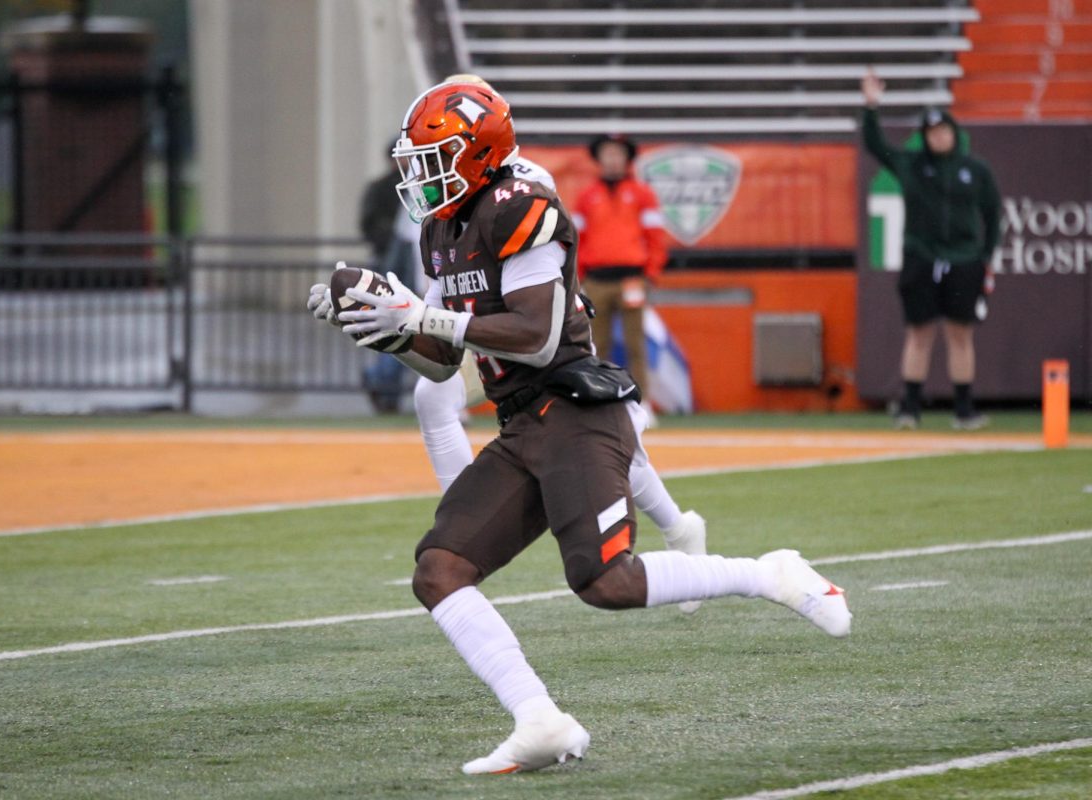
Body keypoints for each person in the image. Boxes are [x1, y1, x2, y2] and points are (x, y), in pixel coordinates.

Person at [307, 80, 852, 775]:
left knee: (605, 582)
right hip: (520, 425)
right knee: (439, 571)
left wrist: (419, 315)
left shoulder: (520, 205)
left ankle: (769, 573)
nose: (421, 174)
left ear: (477, 154)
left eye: (435, 156)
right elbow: (444, 364)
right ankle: (540, 719)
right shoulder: (441, 225)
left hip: (574, 412)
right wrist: (381, 331)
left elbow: (534, 336)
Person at [410, 76, 708, 610]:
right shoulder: (448, 213)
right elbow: (446, 292)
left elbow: (538, 282)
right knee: (431, 394)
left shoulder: (521, 189)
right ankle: (465, 505)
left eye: (439, 154)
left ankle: (676, 523)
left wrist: (430, 318)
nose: (426, 173)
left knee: (595, 420)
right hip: (493, 320)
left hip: (536, 318)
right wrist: (392, 321)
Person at [860, 69, 1002, 431]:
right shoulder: (912, 165)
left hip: (964, 259)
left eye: (944, 131)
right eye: (932, 132)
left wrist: (984, 257)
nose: (939, 137)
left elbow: (993, 214)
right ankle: (909, 407)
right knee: (919, 333)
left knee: (960, 334)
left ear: (954, 133)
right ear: (925, 137)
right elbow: (876, 145)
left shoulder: (975, 170)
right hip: (922, 257)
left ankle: (964, 408)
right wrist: (871, 107)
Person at [573, 134, 668, 425]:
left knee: (635, 343)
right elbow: (577, 240)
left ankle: (643, 404)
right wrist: (578, 280)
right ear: (599, 159)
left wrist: (651, 273)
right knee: (595, 345)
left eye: (617, 154)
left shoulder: (642, 194)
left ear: (627, 159)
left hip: (631, 279)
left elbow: (655, 237)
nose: (613, 159)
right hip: (597, 281)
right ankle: (599, 401)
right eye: (607, 154)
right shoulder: (586, 197)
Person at [359, 145, 417, 413]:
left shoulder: (410, 184)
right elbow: (397, 238)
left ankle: (382, 382)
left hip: (400, 267)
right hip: (400, 270)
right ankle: (382, 381)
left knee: (403, 329)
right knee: (404, 328)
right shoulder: (390, 187)